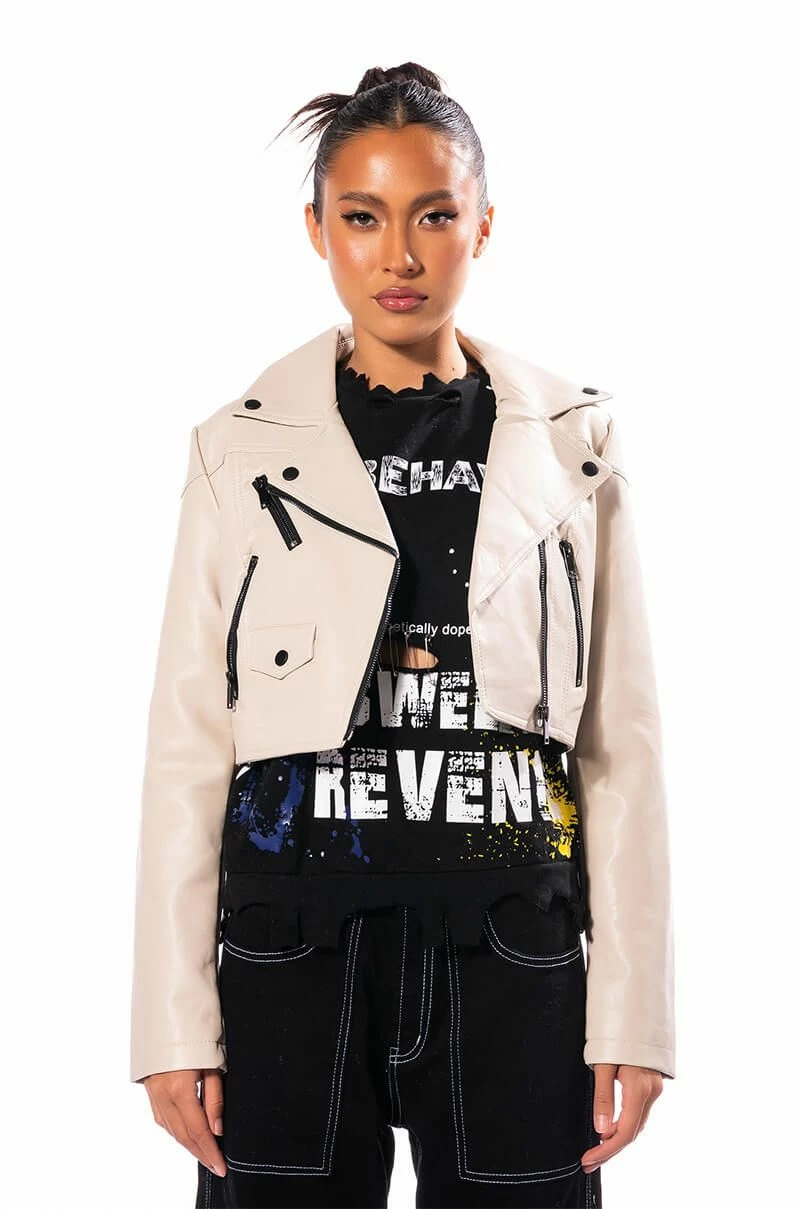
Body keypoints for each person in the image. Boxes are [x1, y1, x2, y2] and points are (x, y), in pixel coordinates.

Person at [129, 62, 675, 1209]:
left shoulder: (571, 445)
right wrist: (171, 1024)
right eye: (362, 217)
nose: (400, 255)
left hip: (514, 947)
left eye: (432, 216)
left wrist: (633, 1013)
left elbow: (618, 743)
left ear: (483, 224)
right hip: (290, 947)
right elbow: (189, 745)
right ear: (317, 231)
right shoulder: (238, 449)